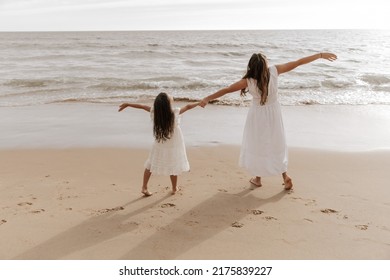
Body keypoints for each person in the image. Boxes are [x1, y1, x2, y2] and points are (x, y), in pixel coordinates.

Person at [200, 52, 337, 190]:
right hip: (274, 113)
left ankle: (258, 178)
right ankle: (285, 176)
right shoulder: (274, 71)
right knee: (276, 143)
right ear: (265, 64)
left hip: (257, 115)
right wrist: (319, 55)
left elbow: (227, 90)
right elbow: (298, 62)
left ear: (251, 67)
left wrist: (207, 98)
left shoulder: (248, 81)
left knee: (258, 144)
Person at [119, 92, 199, 196]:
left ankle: (144, 187)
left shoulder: (155, 112)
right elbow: (188, 106)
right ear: (168, 104)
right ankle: (174, 188)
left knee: (151, 163)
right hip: (173, 143)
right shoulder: (174, 112)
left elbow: (142, 106)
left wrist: (128, 104)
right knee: (173, 163)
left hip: (160, 142)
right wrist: (200, 102)